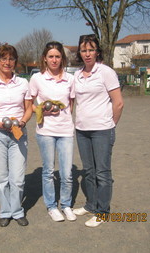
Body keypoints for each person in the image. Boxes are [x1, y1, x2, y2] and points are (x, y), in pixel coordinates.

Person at [72, 34, 124, 227]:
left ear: (97, 51)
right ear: (80, 52)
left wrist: (110, 125)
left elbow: (118, 103)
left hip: (102, 130)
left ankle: (103, 211)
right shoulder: (77, 74)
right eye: (84, 50)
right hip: (82, 130)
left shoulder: (105, 72)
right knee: (89, 171)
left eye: (91, 49)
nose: (87, 54)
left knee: (102, 172)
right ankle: (91, 205)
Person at [0, 44, 33, 227]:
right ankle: (5, 211)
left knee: (17, 178)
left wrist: (23, 122)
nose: (7, 62)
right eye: (3, 59)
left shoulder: (23, 83)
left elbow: (28, 109)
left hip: (18, 134)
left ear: (15, 61)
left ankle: (17, 211)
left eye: (11, 59)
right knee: (1, 178)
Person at [29, 41, 76, 222]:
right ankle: (51, 206)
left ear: (62, 58)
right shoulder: (37, 79)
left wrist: (64, 119)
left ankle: (66, 205)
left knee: (67, 173)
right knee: (48, 171)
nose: (54, 60)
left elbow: (70, 104)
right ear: (45, 59)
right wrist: (42, 110)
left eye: (57, 56)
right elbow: (29, 105)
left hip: (65, 131)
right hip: (45, 131)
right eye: (51, 57)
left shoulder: (70, 79)